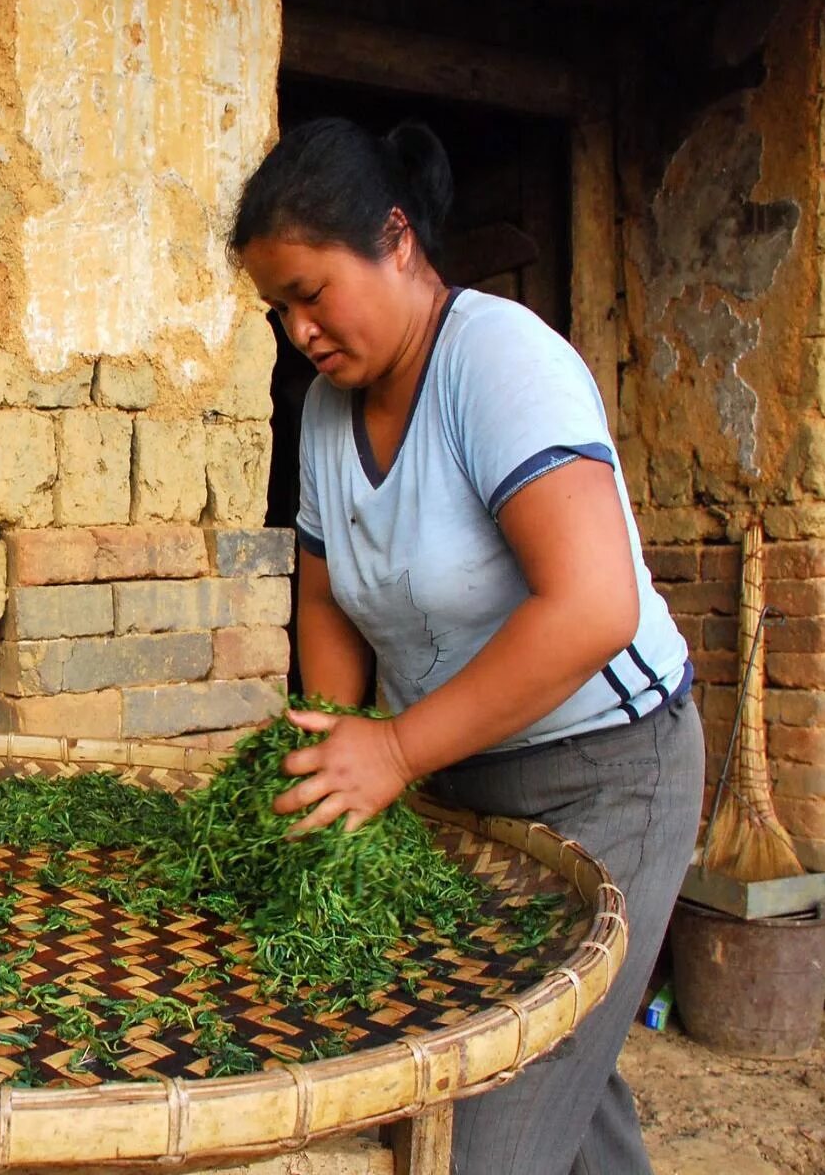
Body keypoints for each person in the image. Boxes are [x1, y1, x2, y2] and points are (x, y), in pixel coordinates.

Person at [228, 117, 704, 1175]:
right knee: (561, 1080)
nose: (299, 330)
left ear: (396, 239)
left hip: (609, 773)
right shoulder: (321, 412)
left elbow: (592, 609)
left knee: (486, 1117)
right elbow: (328, 589)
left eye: (313, 293)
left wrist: (394, 755)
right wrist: (342, 738)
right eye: (278, 310)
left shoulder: (495, 359)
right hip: (463, 773)